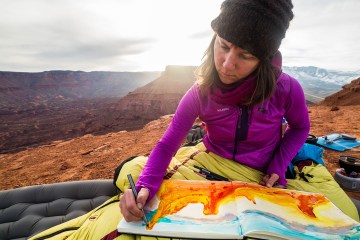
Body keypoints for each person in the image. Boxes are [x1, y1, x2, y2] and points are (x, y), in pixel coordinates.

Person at [119, 0, 357, 223]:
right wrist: (146, 186)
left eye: (246, 55)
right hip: (210, 162)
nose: (226, 64)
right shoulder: (200, 91)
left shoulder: (285, 88)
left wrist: (278, 165)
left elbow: (300, 127)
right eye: (223, 46)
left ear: (263, 60)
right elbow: (168, 144)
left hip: (261, 173)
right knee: (130, 173)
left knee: (344, 214)